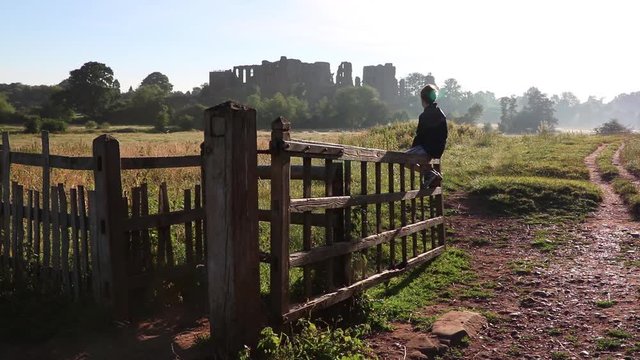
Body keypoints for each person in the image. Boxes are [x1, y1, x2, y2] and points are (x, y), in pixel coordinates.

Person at [405, 84, 448, 189]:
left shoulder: (424, 115)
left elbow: (420, 135)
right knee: (421, 160)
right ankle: (431, 174)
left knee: (403, 159)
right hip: (438, 148)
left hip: (428, 148)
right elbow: (445, 133)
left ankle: (430, 174)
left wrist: (413, 148)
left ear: (423, 99)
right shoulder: (441, 113)